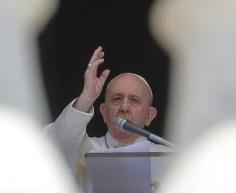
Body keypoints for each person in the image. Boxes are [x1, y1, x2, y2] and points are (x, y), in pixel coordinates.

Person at [44, 46, 165, 175]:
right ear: (104, 112)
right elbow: (58, 144)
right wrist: (86, 97)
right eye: (117, 99)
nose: (124, 108)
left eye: (134, 100)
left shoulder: (170, 159)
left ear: (149, 116)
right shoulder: (86, 149)